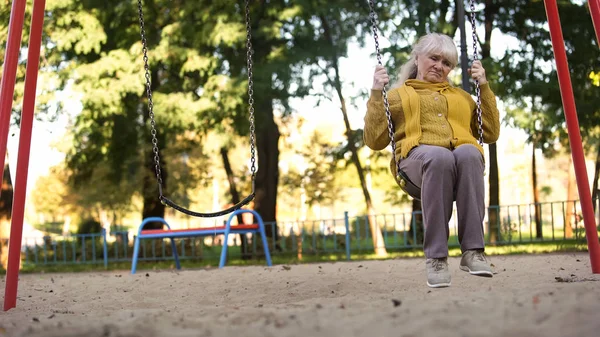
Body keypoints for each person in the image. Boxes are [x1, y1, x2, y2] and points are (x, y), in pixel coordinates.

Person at [363, 33, 500, 288]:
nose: (440, 66)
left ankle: (473, 252)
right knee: (439, 156)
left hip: (459, 166)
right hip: (416, 166)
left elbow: (490, 133)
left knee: (470, 152)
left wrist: (483, 86)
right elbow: (374, 140)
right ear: (418, 58)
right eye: (434, 58)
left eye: (447, 63)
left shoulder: (462, 97)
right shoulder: (396, 96)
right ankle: (436, 258)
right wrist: (375, 92)